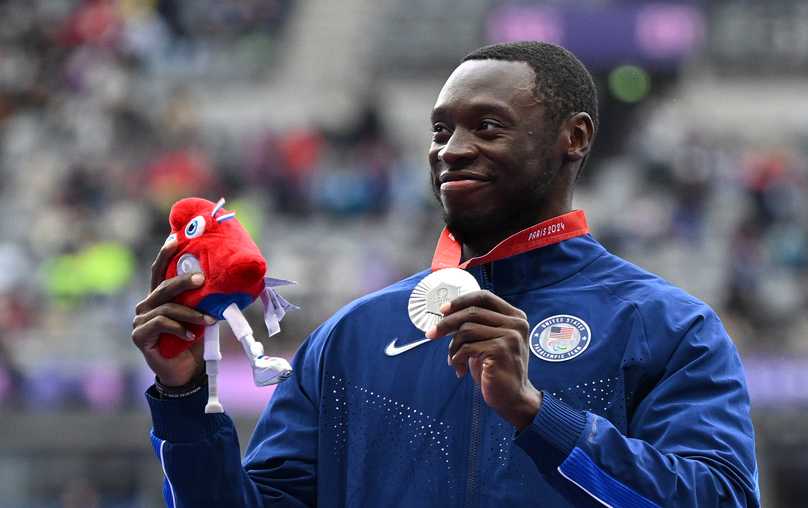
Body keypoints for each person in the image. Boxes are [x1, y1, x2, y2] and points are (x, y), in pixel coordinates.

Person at [132, 41, 760, 507]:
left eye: (486, 126)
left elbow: (720, 498)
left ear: (575, 137)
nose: (450, 149)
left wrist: (537, 414)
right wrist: (185, 398)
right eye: (440, 129)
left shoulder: (665, 326)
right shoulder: (352, 337)